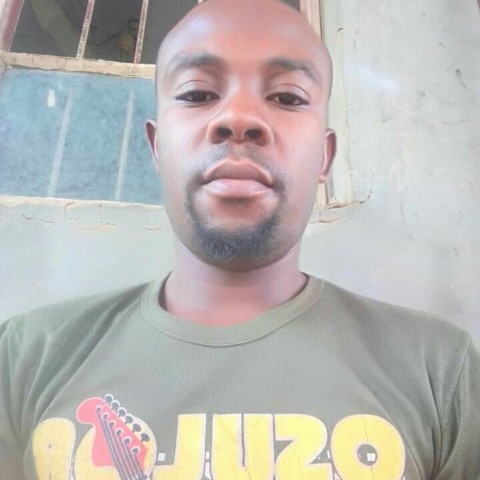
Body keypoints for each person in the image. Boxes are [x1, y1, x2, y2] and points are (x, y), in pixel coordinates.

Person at [1, 0, 479, 478]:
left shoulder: (440, 372)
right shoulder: (24, 358)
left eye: (287, 97)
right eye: (197, 93)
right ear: (157, 147)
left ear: (324, 157)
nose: (239, 117)